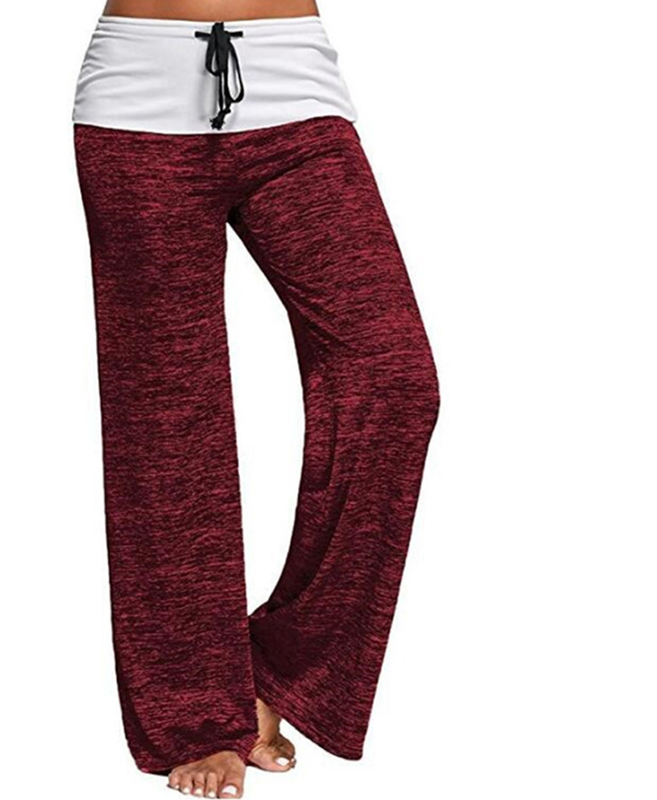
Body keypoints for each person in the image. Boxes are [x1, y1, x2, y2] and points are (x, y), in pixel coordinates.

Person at [72, 1, 440, 797]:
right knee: (168, 423)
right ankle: (196, 713)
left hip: (291, 84)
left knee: (392, 376)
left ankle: (279, 670)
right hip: (136, 96)